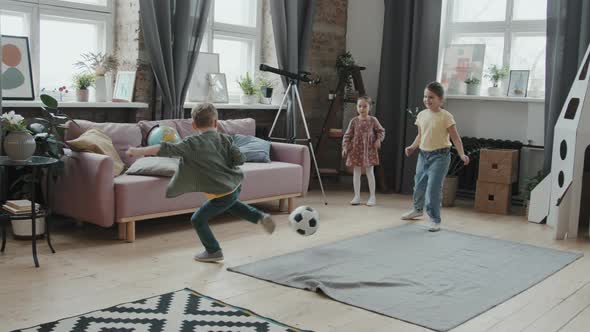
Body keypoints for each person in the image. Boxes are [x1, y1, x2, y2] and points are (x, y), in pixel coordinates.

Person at [126, 103, 275, 262]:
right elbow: (240, 159)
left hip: (222, 192)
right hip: (234, 186)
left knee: (197, 219)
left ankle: (213, 250)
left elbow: (164, 148)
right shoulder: (225, 139)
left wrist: (138, 151)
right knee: (233, 205)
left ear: (194, 125)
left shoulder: (190, 143)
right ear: (216, 123)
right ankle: (260, 217)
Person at [402, 82, 469, 232]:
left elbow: (456, 138)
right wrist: (412, 147)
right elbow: (420, 135)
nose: (427, 100)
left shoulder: (446, 117)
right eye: (425, 96)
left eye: (431, 97)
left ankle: (434, 219)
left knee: (433, 188)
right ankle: (417, 209)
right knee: (418, 185)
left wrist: (462, 154)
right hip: (423, 155)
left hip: (440, 157)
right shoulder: (421, 115)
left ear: (441, 99)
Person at [342, 95, 385, 206]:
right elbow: (347, 135)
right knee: (356, 172)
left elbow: (381, 131)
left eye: (365, 106)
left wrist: (379, 140)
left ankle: (372, 196)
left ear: (369, 107)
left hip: (369, 150)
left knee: (370, 172)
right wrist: (345, 147)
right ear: (357, 107)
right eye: (359, 106)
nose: (362, 109)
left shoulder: (373, 120)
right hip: (355, 150)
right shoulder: (354, 121)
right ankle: (356, 196)